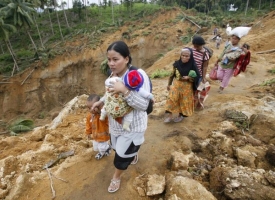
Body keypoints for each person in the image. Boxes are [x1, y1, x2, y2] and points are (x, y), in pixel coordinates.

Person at [91, 41, 151, 193]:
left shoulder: (138, 76)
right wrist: (100, 101)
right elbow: (109, 95)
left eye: (115, 59)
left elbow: (144, 105)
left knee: (121, 157)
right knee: (117, 148)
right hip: (116, 125)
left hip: (133, 126)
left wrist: (125, 90)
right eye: (109, 59)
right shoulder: (113, 75)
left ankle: (116, 177)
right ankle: (133, 153)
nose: (111, 63)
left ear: (127, 59)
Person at [163, 47, 201, 123]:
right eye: (183, 55)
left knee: (183, 101)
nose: (184, 57)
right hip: (177, 85)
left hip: (186, 87)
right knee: (171, 99)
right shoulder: (176, 64)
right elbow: (172, 75)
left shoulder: (193, 65)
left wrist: (189, 77)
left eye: (187, 56)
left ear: (190, 57)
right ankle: (170, 116)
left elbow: (197, 76)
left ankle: (180, 115)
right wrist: (169, 84)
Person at [86, 94, 111, 160]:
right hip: (95, 136)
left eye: (92, 107)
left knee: (101, 147)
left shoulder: (103, 114)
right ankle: (107, 147)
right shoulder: (90, 116)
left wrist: (100, 112)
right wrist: (88, 132)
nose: (90, 110)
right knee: (96, 147)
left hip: (103, 136)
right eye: (88, 108)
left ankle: (102, 152)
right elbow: (88, 124)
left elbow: (107, 121)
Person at [191, 36, 210, 109]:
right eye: (194, 46)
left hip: (198, 75)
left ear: (202, 45)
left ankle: (198, 103)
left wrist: (203, 77)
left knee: (197, 90)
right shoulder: (192, 50)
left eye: (197, 46)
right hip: (190, 73)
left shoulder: (205, 54)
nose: (195, 47)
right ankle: (190, 103)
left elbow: (205, 66)